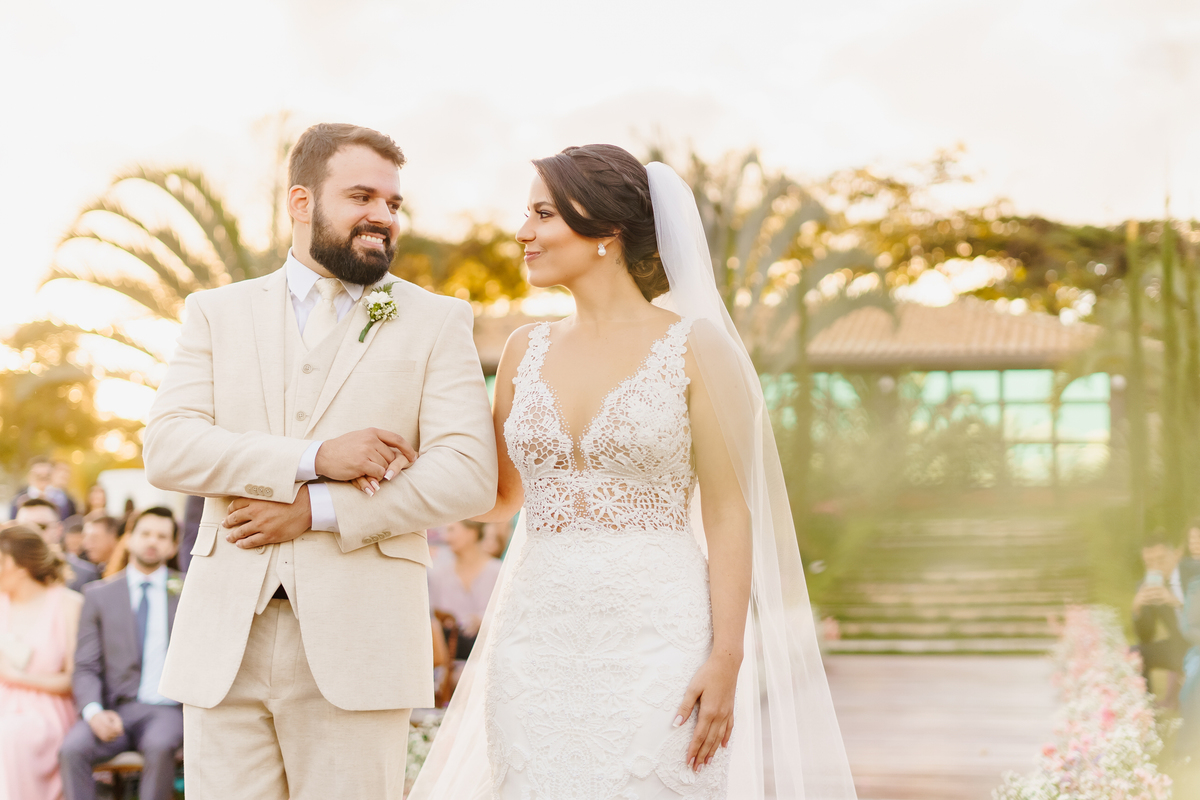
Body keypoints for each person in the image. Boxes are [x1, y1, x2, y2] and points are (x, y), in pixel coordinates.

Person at [411, 148, 855, 799]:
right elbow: (500, 498)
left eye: (543, 213)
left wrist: (726, 655)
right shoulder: (520, 351)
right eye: (525, 214)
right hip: (536, 639)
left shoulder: (697, 348)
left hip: (659, 633)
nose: (523, 232)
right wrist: (390, 469)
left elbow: (730, 512)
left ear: (607, 232)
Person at [142, 122, 497, 800]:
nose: (382, 216)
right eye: (362, 195)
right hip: (224, 644)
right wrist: (314, 458)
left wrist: (318, 509)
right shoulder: (216, 313)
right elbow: (168, 447)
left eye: (393, 203)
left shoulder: (435, 320)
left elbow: (468, 474)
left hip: (361, 643)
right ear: (300, 202)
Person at [60, 507, 184, 800]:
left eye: (162, 536)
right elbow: (85, 665)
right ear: (129, 539)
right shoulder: (98, 594)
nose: (152, 541)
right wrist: (93, 712)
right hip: (114, 709)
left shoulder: (187, 590)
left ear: (173, 546)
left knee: (160, 745)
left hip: (165, 711)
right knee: (72, 749)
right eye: (145, 533)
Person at [0, 524, 83, 800]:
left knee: (10, 735)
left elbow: (73, 678)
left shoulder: (68, 604)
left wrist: (16, 677)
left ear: (18, 566)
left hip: (45, 710)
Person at [427, 520, 501, 660]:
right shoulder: (437, 574)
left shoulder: (498, 571)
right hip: (450, 662)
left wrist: (483, 621)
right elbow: (433, 621)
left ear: (471, 532)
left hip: (490, 658)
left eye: (451, 530)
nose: (445, 538)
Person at [1132, 530, 1188, 704]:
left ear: (1175, 555)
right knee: (1136, 655)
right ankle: (1148, 716)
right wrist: (1137, 608)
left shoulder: (1192, 573)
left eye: (1161, 560)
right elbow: (1146, 636)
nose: (1155, 567)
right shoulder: (1148, 585)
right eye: (1149, 563)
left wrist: (1176, 601)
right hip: (1180, 648)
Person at [16, 499, 100, 593]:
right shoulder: (5, 573)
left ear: (58, 529)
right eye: (24, 527)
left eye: (42, 526)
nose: (33, 533)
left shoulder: (85, 575)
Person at [10, 456, 73, 521]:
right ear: (30, 476)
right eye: (38, 476)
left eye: (47, 476)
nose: (43, 479)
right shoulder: (18, 501)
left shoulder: (64, 501)